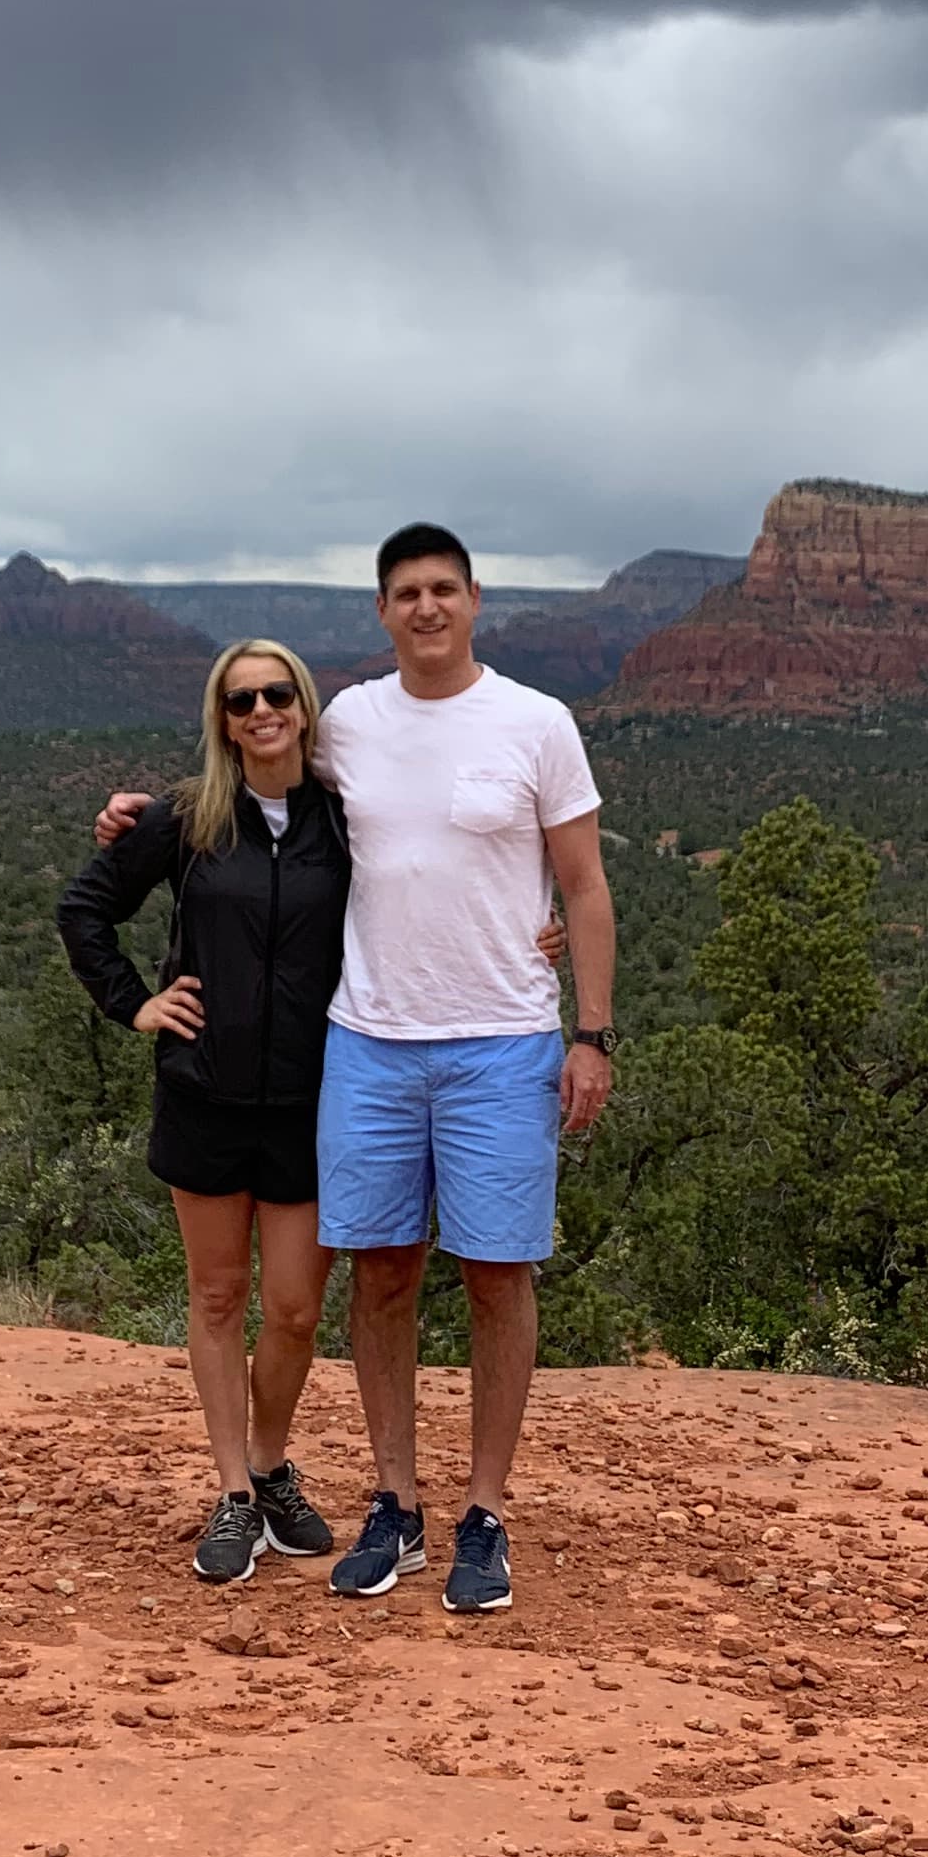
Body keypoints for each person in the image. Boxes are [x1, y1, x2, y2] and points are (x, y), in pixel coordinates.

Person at [101, 523, 615, 1616]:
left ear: (477, 599)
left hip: (502, 1041)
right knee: (379, 1275)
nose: (426, 608)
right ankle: (394, 1504)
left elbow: (585, 886)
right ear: (381, 613)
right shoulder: (353, 727)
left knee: (495, 1276)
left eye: (444, 590)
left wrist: (592, 1031)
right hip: (370, 1047)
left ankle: (484, 1513)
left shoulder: (539, 722)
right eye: (406, 594)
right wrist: (134, 820)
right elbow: (251, 777)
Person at [56, 642, 346, 1585]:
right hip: (205, 1094)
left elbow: (438, 884)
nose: (261, 710)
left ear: (303, 707)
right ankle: (232, 1493)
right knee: (220, 1298)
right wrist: (135, 1002)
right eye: (240, 699)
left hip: (311, 1098)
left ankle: (270, 1465)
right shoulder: (186, 820)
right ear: (222, 719)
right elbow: (84, 909)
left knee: (296, 1311)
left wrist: (529, 927)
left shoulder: (344, 819)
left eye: (277, 694)